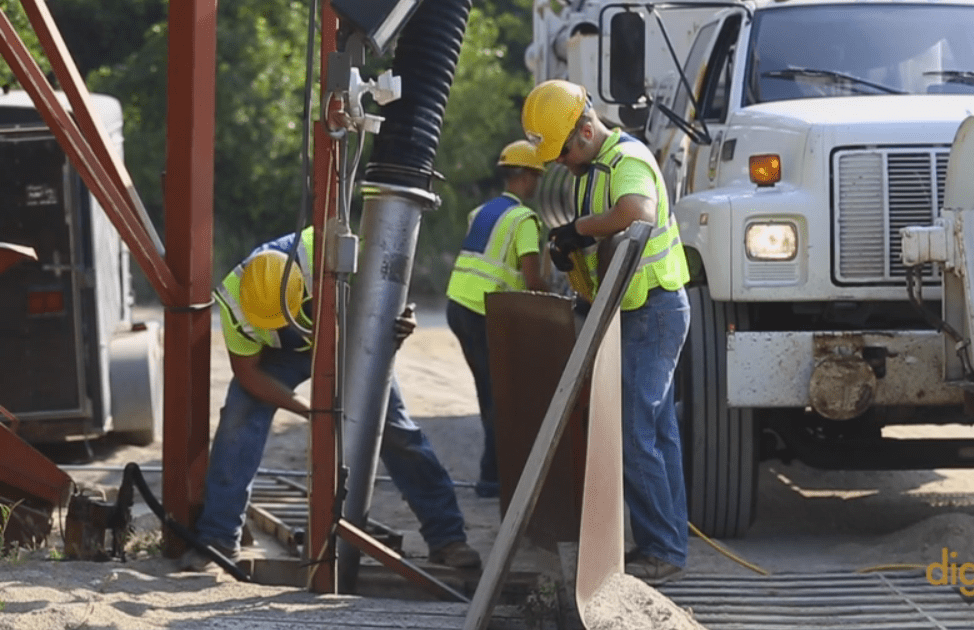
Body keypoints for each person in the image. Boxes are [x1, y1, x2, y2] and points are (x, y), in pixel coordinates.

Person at [180, 227, 481, 571]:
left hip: (348, 342)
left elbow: (390, 281)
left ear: (299, 288)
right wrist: (311, 411)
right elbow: (249, 374)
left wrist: (402, 314)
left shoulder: (335, 252)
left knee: (394, 428)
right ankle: (218, 539)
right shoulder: (236, 300)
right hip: (278, 357)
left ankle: (447, 538)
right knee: (239, 417)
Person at [521, 80, 692, 585]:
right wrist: (572, 253)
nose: (563, 163)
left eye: (565, 151)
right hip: (639, 310)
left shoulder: (627, 162)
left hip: (655, 309)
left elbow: (635, 215)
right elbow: (603, 238)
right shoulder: (591, 171)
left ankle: (661, 549)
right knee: (657, 434)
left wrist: (578, 229)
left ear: (587, 128)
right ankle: (668, 543)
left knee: (636, 434)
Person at [445, 140, 548, 498]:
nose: (537, 183)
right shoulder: (525, 221)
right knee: (499, 395)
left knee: (488, 390)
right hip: (480, 311)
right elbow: (533, 280)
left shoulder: (482, 211)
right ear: (527, 176)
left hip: (457, 304)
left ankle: (494, 474)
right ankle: (492, 479)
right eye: (537, 175)